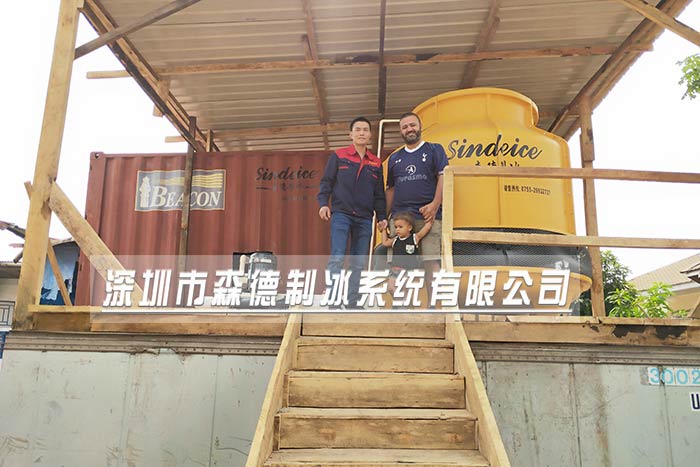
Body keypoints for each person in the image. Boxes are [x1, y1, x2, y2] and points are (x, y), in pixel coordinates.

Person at [318, 117, 388, 308]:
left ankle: (352, 301)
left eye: (365, 130)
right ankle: (333, 299)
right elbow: (326, 182)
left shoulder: (375, 162)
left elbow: (379, 193)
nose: (362, 133)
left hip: (365, 218)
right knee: (337, 258)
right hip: (341, 214)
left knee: (358, 262)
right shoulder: (339, 155)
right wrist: (323, 204)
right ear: (351, 134)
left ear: (370, 135)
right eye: (358, 130)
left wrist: (382, 216)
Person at [385, 112, 449, 303]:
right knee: (399, 267)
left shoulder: (434, 150)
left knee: (431, 262)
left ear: (420, 126)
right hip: (400, 219)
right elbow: (391, 189)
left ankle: (433, 308)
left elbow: (444, 177)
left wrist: (435, 205)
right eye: (404, 127)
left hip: (428, 217)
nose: (409, 129)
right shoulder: (394, 158)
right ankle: (402, 308)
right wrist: (383, 216)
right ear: (401, 131)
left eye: (412, 125)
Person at [380, 212, 433, 296]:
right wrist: (383, 230)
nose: (397, 229)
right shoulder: (395, 240)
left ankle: (403, 303)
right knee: (390, 288)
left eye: (400, 227)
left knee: (404, 291)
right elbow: (385, 243)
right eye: (396, 227)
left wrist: (430, 221)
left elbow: (425, 229)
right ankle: (400, 302)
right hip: (395, 270)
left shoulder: (414, 238)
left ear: (409, 228)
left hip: (408, 271)